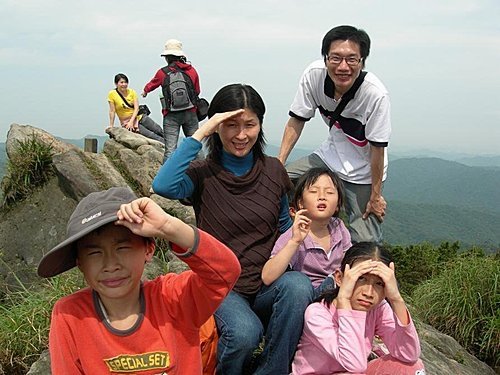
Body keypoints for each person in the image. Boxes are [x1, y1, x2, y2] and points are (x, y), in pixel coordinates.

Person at [152, 84, 314, 374]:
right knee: (243, 334)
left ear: (260, 125)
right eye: (230, 125)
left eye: (250, 125)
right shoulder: (202, 173)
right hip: (221, 286)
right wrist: (202, 131)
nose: (241, 135)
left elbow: (284, 227)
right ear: (217, 127)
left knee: (299, 286)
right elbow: (163, 185)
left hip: (267, 280)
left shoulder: (274, 171)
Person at [37, 186, 240, 374]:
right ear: (79, 262)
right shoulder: (69, 315)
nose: (110, 264)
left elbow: (226, 271)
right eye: (94, 253)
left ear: (148, 250)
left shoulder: (174, 299)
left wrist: (167, 226)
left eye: (122, 248)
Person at [278, 25, 391, 244]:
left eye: (352, 59)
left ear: (362, 61)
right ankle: (290, 239)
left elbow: (378, 149)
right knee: (274, 182)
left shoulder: (375, 95)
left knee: (365, 240)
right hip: (329, 157)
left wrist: (375, 196)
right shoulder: (314, 76)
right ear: (325, 58)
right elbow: (297, 119)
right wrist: (278, 163)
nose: (343, 66)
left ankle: (364, 271)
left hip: (364, 173)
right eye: (335, 58)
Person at [291, 242, 426, 375]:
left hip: (356, 371)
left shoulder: (378, 309)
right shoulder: (318, 314)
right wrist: (344, 300)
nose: (368, 292)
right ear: (339, 277)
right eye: (360, 278)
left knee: (413, 367)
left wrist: (396, 298)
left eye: (379, 283)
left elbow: (409, 354)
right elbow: (354, 364)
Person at [262, 167, 351, 299]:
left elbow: (350, 262)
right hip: (302, 298)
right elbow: (267, 277)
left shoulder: (339, 228)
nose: (322, 197)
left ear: (338, 204)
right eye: (314, 191)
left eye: (330, 193)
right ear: (301, 203)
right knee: (300, 285)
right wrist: (295, 241)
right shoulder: (293, 234)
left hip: (334, 296)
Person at [142, 39, 201, 162]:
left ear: (167, 57)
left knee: (170, 149)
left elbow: (152, 84)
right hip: (190, 112)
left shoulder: (162, 72)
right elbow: (197, 91)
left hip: (171, 115)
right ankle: (204, 175)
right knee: (195, 146)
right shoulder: (191, 70)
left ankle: (167, 179)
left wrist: (145, 91)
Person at [107, 73, 165, 142]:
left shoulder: (132, 92)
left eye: (125, 82)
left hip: (139, 117)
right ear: (116, 84)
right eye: (121, 82)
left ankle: (173, 146)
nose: (124, 84)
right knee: (152, 136)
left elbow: (136, 108)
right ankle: (169, 149)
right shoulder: (112, 94)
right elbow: (112, 111)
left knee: (159, 130)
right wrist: (111, 126)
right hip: (126, 122)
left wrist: (131, 121)